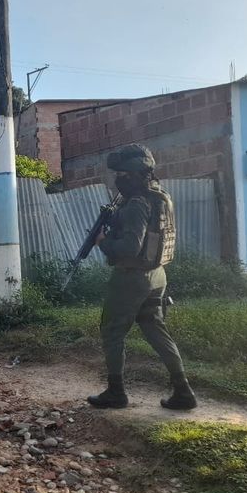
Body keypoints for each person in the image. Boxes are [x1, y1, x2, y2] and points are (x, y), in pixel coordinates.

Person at [88, 143, 197, 411]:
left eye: (122, 174)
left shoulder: (137, 204)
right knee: (154, 329)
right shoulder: (159, 197)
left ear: (135, 174)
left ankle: (116, 392)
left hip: (131, 277)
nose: (117, 179)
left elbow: (129, 248)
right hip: (156, 275)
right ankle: (183, 390)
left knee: (112, 331)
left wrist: (103, 242)